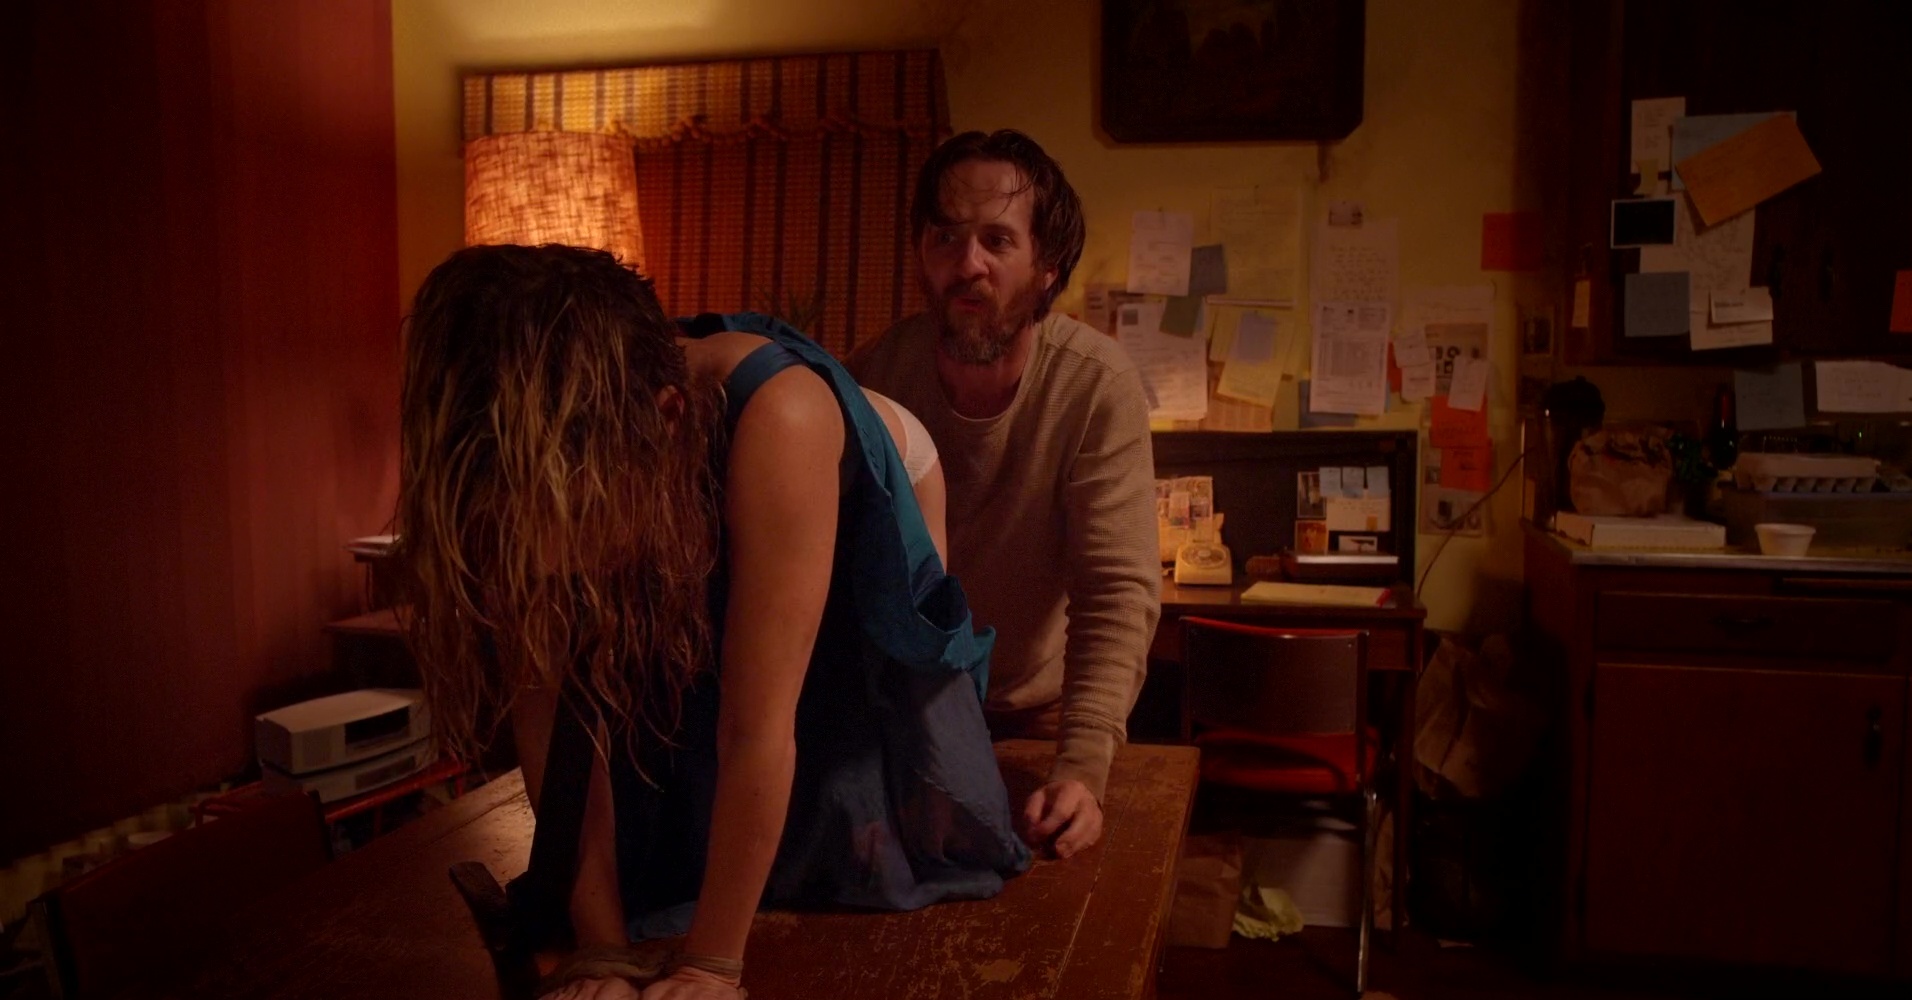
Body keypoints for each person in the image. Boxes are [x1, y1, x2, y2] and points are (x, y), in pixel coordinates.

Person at [395, 244, 1028, 1000]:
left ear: (664, 423)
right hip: (681, 462)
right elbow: (551, 714)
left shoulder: (779, 417)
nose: (554, 564)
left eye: (576, 516)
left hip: (876, 488)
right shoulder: (507, 445)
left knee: (849, 804)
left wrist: (710, 965)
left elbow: (756, 730)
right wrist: (603, 951)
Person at [850, 130, 1160, 861]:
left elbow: (1115, 590)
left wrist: (1083, 765)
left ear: (1048, 267)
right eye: (946, 238)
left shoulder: (1095, 384)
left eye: (996, 240)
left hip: (1040, 715)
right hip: (907, 710)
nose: (968, 264)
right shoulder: (872, 379)